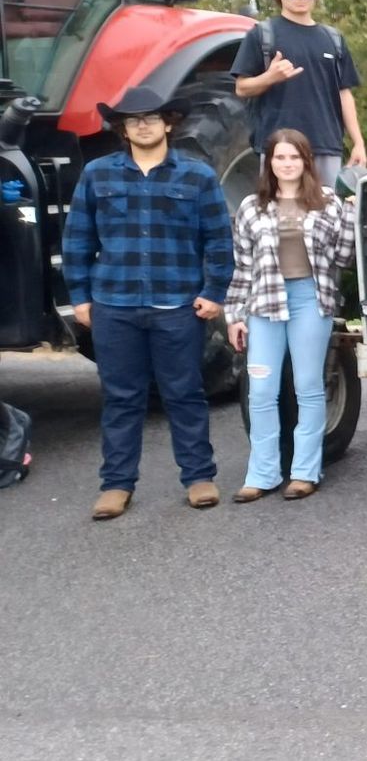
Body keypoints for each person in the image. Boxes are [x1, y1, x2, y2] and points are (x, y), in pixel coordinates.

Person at [64, 87, 234, 521]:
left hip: (178, 305)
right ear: (122, 127)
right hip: (113, 305)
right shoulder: (97, 175)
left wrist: (214, 293)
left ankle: (198, 477)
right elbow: (78, 240)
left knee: (185, 394)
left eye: (151, 117)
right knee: (121, 398)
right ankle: (116, 485)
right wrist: (80, 297)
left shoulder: (197, 176)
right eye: (133, 118)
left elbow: (218, 241)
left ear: (169, 122)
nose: (143, 124)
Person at [224, 130, 356, 502]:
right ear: (269, 163)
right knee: (262, 390)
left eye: (294, 157)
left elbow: (343, 258)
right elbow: (242, 266)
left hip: (309, 300)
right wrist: (235, 315)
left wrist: (350, 213)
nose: (287, 164)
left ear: (306, 161)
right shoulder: (252, 207)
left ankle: (304, 471)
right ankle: (263, 473)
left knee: (308, 386)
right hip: (264, 304)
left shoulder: (327, 201)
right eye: (280, 157)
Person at [231, 0, 367, 184]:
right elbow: (241, 88)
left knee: (325, 215)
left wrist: (358, 142)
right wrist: (269, 77)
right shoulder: (262, 35)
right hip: (279, 149)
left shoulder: (333, 39)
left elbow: (345, 94)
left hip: (326, 146)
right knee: (280, 214)